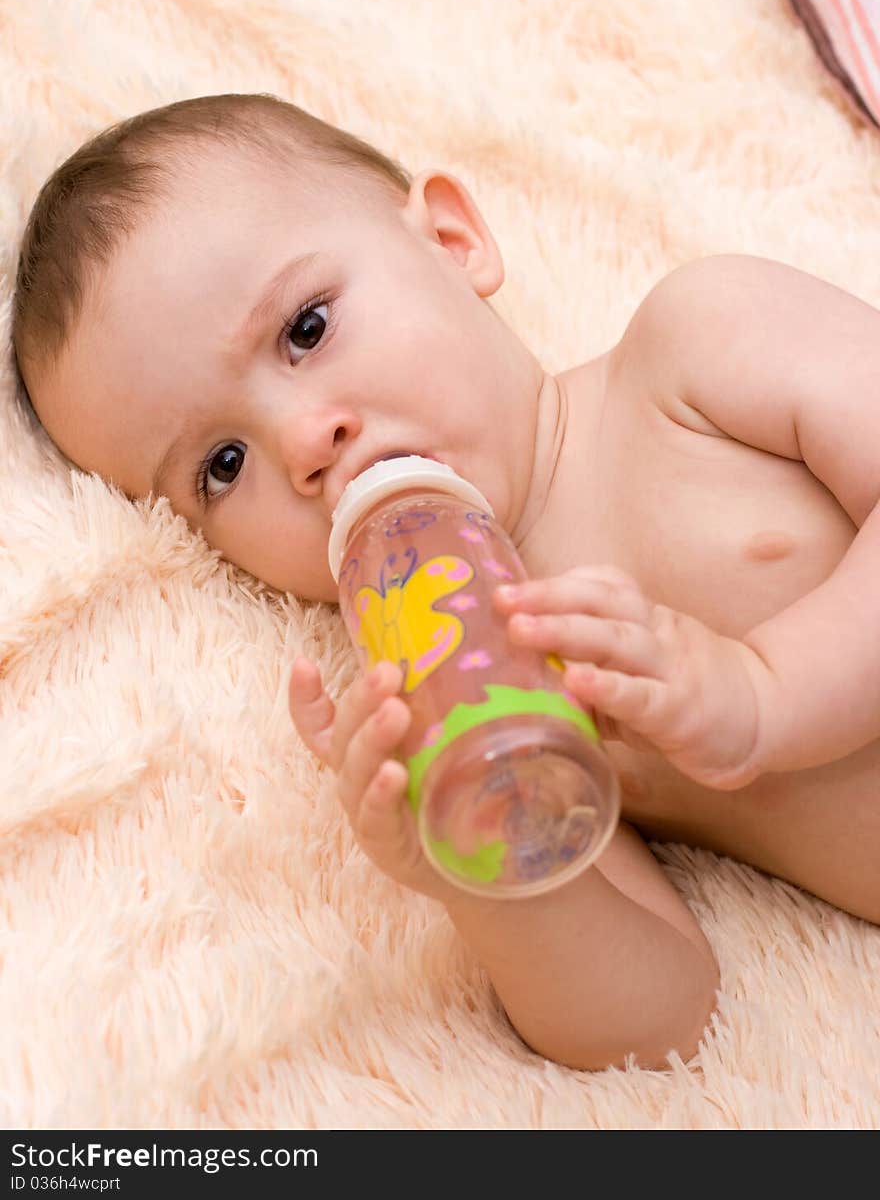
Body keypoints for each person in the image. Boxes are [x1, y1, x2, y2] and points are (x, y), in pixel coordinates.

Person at [12, 92, 880, 1072]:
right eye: (221, 464)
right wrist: (486, 880)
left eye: (304, 328)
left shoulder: (697, 348)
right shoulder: (470, 696)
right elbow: (663, 1022)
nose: (304, 444)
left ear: (453, 240)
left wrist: (769, 692)